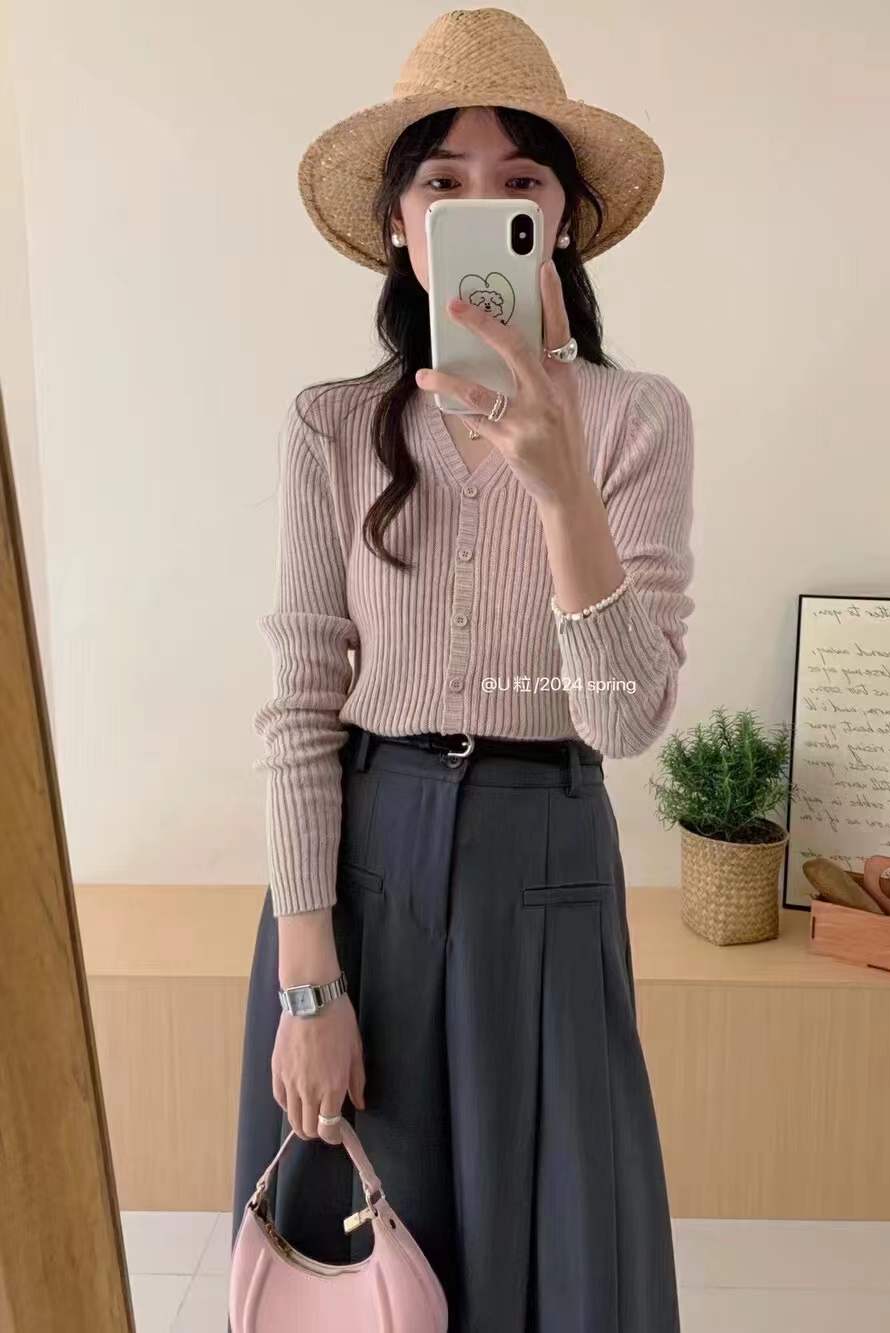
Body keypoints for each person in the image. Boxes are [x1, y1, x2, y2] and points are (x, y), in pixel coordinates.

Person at [230, 8, 695, 1331]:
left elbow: (628, 717)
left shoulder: (638, 420)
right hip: (364, 869)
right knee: (370, 1259)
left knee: (561, 1254)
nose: (480, 203)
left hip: (546, 863)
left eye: (519, 178)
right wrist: (308, 986)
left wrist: (561, 487)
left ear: (561, 223)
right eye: (443, 179)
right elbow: (299, 706)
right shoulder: (333, 426)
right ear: (399, 223)